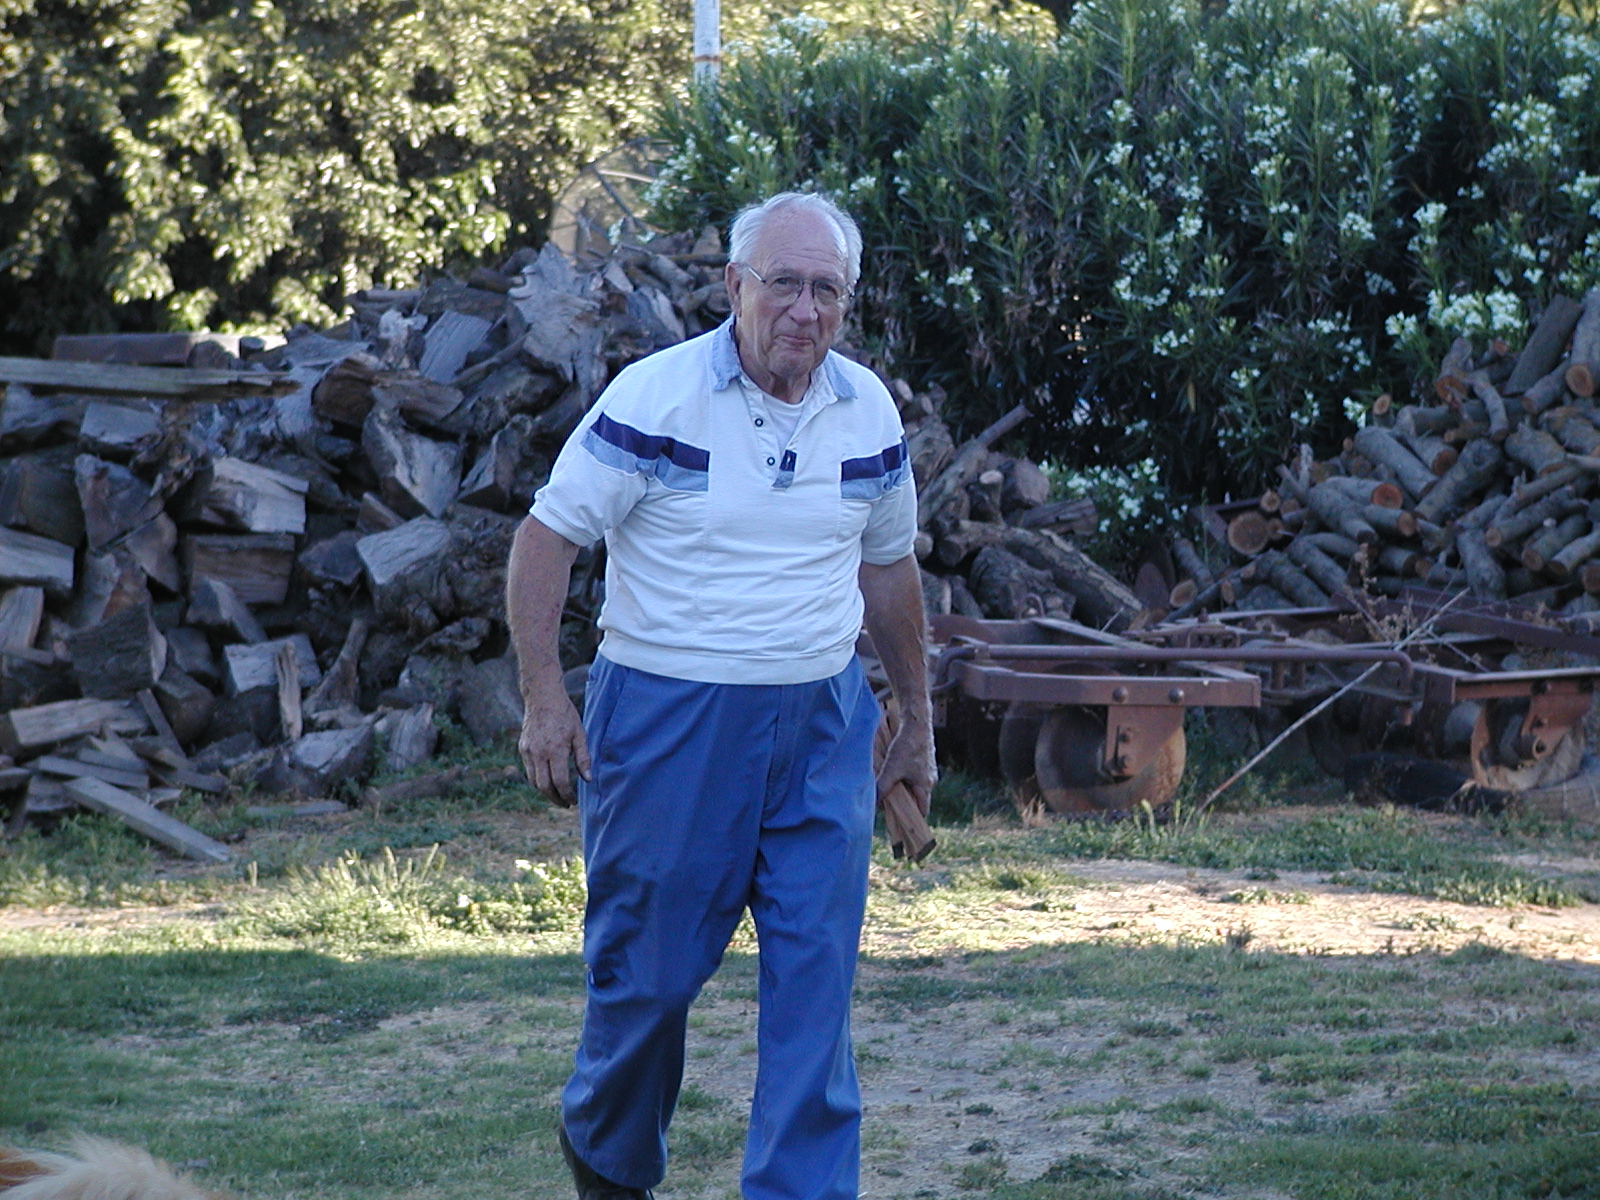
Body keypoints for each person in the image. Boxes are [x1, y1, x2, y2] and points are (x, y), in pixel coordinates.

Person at [505, 191, 935, 1200]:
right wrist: (544, 698)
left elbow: (888, 570)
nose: (805, 310)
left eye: (826, 289)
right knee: (647, 984)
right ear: (734, 285)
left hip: (822, 726)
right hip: (668, 726)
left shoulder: (866, 410)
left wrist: (915, 719)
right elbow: (546, 539)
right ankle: (608, 1155)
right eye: (784, 283)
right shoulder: (654, 400)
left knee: (814, 986)